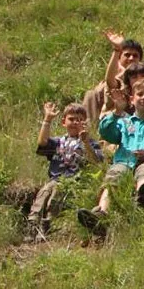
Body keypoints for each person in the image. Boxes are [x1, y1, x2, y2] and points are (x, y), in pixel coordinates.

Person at [77, 79, 144, 235]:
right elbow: (106, 133)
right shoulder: (124, 122)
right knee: (114, 175)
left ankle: (143, 197)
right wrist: (116, 111)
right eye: (140, 94)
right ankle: (101, 213)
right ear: (132, 100)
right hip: (125, 161)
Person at [26, 102, 103, 241]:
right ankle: (32, 224)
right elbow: (42, 142)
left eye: (79, 120)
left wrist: (85, 142)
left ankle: (47, 224)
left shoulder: (91, 143)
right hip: (55, 178)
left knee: (57, 190)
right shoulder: (58, 142)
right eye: (71, 119)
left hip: (75, 180)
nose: (75, 123)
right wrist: (47, 120)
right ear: (63, 122)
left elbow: (96, 162)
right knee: (45, 191)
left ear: (85, 123)